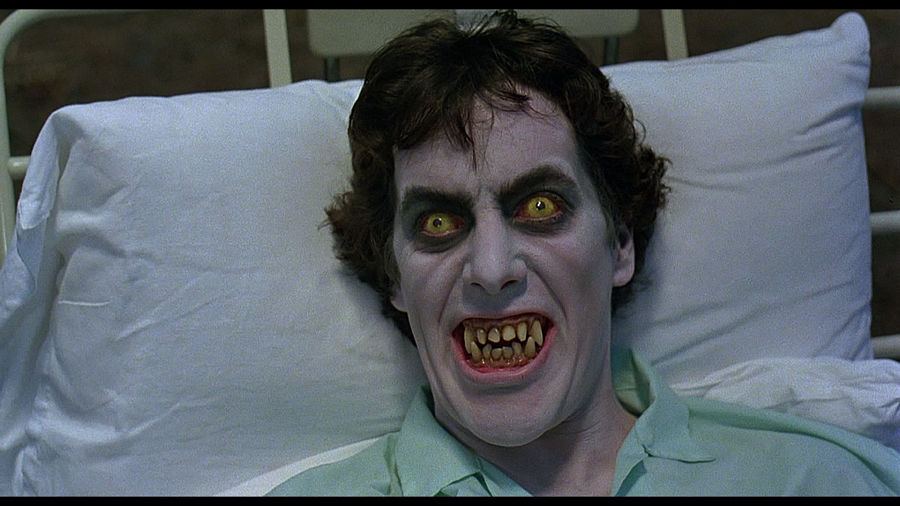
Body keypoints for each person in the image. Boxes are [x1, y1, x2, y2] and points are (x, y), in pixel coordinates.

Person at [269, 10, 900, 496]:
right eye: (438, 222)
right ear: (394, 276)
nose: (491, 269)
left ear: (619, 244)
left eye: (540, 206)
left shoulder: (812, 478)